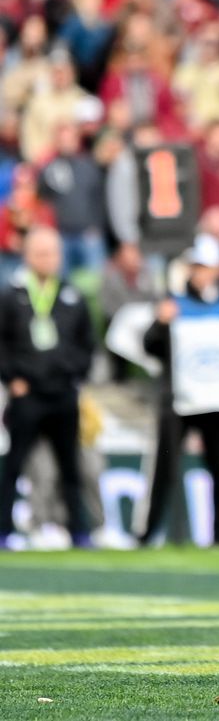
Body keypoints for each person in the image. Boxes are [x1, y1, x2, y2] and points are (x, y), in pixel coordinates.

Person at [137, 235, 219, 546]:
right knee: (164, 469)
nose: (200, 273)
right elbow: (149, 346)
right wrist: (160, 323)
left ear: (218, 269)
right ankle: (148, 533)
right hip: (180, 400)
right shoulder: (174, 303)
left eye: (206, 267)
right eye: (197, 267)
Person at [0, 227, 95, 548]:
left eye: (53, 253)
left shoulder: (71, 295)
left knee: (71, 467)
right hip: (26, 394)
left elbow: (87, 343)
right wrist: (12, 378)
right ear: (27, 256)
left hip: (63, 393)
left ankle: (78, 531)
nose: (48, 260)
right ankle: (4, 531)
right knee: (14, 465)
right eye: (41, 253)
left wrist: (74, 375)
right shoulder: (11, 295)